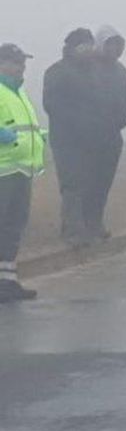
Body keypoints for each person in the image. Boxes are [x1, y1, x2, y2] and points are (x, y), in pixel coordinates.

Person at [41, 27, 106, 247]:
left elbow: (101, 102)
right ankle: (72, 231)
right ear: (71, 48)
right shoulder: (56, 72)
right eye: (83, 47)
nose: (87, 51)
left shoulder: (95, 72)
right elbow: (52, 105)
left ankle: (89, 226)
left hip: (93, 139)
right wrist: (79, 122)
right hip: (67, 140)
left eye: (90, 46)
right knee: (72, 185)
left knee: (91, 183)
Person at [0, 43, 46, 302]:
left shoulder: (19, 92)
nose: (22, 67)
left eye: (23, 63)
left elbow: (25, 127)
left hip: (22, 169)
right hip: (2, 171)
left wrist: (40, 138)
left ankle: (7, 281)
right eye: (16, 63)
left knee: (13, 227)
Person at [88, 25, 126, 241]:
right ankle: (78, 225)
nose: (114, 49)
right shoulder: (87, 68)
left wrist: (118, 122)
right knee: (83, 183)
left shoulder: (121, 72)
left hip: (112, 136)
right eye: (109, 44)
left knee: (103, 184)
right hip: (87, 138)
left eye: (117, 45)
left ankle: (96, 222)